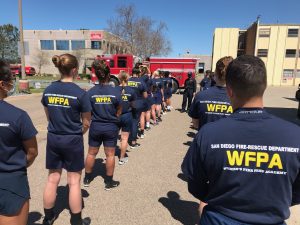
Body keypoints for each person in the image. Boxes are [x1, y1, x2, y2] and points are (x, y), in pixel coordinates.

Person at [182, 55, 300, 225]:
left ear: (229, 90)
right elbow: (297, 191)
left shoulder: (208, 134)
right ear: (264, 86)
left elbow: (195, 184)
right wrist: (271, 203)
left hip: (218, 218)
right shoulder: (295, 135)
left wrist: (218, 198)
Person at [41, 54, 91, 225]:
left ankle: (48, 217)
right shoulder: (80, 94)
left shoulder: (48, 90)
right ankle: (76, 221)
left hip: (54, 137)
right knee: (74, 181)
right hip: (72, 139)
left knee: (52, 178)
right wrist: (78, 132)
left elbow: (49, 117)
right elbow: (86, 122)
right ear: (75, 70)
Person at [0, 59, 38, 225]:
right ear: (2, 84)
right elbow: (32, 152)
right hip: (11, 183)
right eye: (10, 81)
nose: (11, 84)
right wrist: (17, 165)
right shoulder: (18, 116)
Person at [84, 59, 122, 190]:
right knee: (110, 154)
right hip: (111, 127)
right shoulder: (116, 91)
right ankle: (109, 182)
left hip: (96, 126)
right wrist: (114, 117)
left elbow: (87, 112)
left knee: (91, 153)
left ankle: (87, 178)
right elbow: (119, 110)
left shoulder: (90, 92)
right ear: (108, 75)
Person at [189, 56, 233, 130]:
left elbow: (195, 123)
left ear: (215, 73)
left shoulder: (200, 96)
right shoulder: (241, 99)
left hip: (206, 139)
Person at [116, 71, 136, 165]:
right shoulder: (131, 91)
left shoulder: (114, 90)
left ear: (119, 78)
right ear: (128, 79)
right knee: (124, 138)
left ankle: (110, 156)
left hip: (116, 116)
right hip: (127, 116)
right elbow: (134, 105)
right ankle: (121, 158)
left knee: (112, 138)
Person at [128, 68, 147, 147]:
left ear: (132, 73)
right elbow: (145, 95)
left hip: (127, 103)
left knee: (127, 121)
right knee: (135, 122)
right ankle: (133, 141)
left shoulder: (127, 80)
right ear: (139, 73)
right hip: (137, 103)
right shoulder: (141, 82)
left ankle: (125, 138)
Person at [140, 66, 153, 131]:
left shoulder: (140, 79)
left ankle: (141, 128)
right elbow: (152, 87)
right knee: (148, 111)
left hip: (141, 96)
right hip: (148, 95)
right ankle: (147, 125)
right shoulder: (149, 79)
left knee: (142, 113)